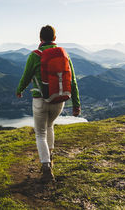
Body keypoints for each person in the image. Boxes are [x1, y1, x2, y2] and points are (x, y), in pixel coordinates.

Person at [16, 25, 81, 183]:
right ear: (55, 38)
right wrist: (76, 104)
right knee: (50, 126)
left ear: (40, 38)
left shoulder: (35, 55)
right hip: (59, 100)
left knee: (40, 134)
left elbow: (26, 76)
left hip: (40, 100)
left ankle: (46, 167)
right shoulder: (64, 55)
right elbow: (72, 81)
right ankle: (50, 157)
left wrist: (20, 90)